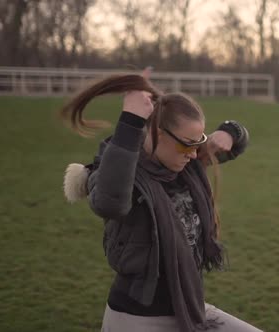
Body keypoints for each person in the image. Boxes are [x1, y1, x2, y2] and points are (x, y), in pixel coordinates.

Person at [60, 74, 261, 332]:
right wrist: (131, 120)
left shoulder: (185, 166)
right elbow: (109, 202)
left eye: (198, 144)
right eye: (187, 145)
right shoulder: (120, 172)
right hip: (136, 319)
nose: (193, 154)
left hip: (187, 309)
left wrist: (230, 133)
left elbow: (236, 141)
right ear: (157, 134)